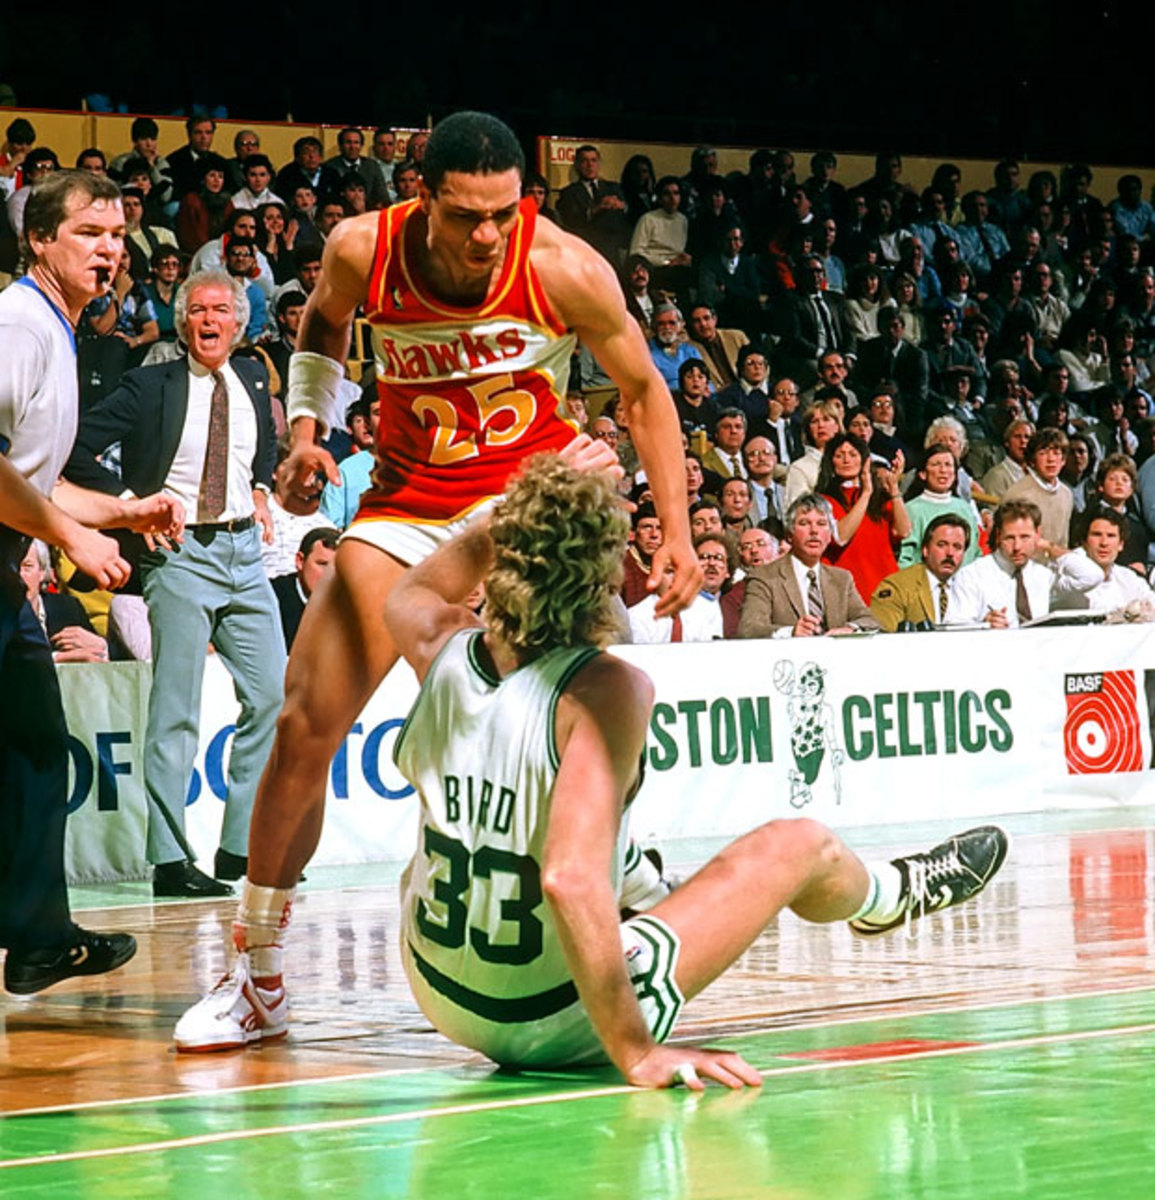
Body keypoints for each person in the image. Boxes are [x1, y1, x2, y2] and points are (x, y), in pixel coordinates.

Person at [184, 453, 1006, 1078]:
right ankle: (887, 897)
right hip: (545, 1014)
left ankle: (644, 887)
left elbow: (418, 584)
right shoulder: (610, 688)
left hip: (435, 988)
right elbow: (569, 882)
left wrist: (513, 512)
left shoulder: (435, 641)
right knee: (798, 844)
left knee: (582, 846)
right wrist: (636, 1049)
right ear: (605, 568)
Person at [172, 111, 697, 1044]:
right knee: (303, 723)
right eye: (466, 215)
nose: (487, 233)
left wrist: (679, 532)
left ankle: (624, 877)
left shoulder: (562, 264)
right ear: (424, 196)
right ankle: (257, 977)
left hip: (525, 516)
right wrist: (305, 430)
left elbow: (645, 390)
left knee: (554, 728)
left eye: (503, 211)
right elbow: (323, 328)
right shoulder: (358, 249)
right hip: (406, 508)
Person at [0, 169, 182, 994]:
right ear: (39, 239)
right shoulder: (19, 324)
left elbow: (35, 478)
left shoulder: (58, 329)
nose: (110, 251)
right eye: (88, 234)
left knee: (37, 748)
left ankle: (38, 938)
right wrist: (68, 534)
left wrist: (121, 511)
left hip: (9, 570)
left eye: (117, 236)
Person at [66, 269, 284, 899]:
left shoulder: (250, 377)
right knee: (175, 713)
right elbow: (78, 444)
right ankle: (168, 859)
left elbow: (258, 450)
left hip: (247, 554)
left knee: (271, 698)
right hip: (182, 555)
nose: (208, 319)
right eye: (196, 310)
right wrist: (128, 504)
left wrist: (265, 489)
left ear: (239, 323)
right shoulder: (148, 384)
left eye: (220, 309)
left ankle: (239, 848)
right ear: (183, 321)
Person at [738, 494, 881, 637]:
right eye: (804, 523)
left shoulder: (841, 579)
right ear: (789, 535)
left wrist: (850, 629)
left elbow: (870, 620)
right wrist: (791, 632)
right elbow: (749, 628)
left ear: (830, 534)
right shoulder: (764, 577)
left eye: (821, 524)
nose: (814, 531)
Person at [951, 500, 1054, 628]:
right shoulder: (971, 576)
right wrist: (983, 625)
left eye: (1024, 537)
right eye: (1010, 538)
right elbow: (954, 629)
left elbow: (1085, 578)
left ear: (1037, 534)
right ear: (999, 535)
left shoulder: (1044, 576)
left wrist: (1051, 547)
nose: (1017, 547)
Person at [870, 513, 971, 630]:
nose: (950, 553)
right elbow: (884, 638)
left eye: (957, 547)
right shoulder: (897, 587)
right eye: (942, 545)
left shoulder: (971, 585)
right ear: (925, 550)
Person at [271, 526, 338, 650]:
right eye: (322, 564)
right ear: (300, 561)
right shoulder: (272, 598)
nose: (330, 575)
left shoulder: (349, 606)